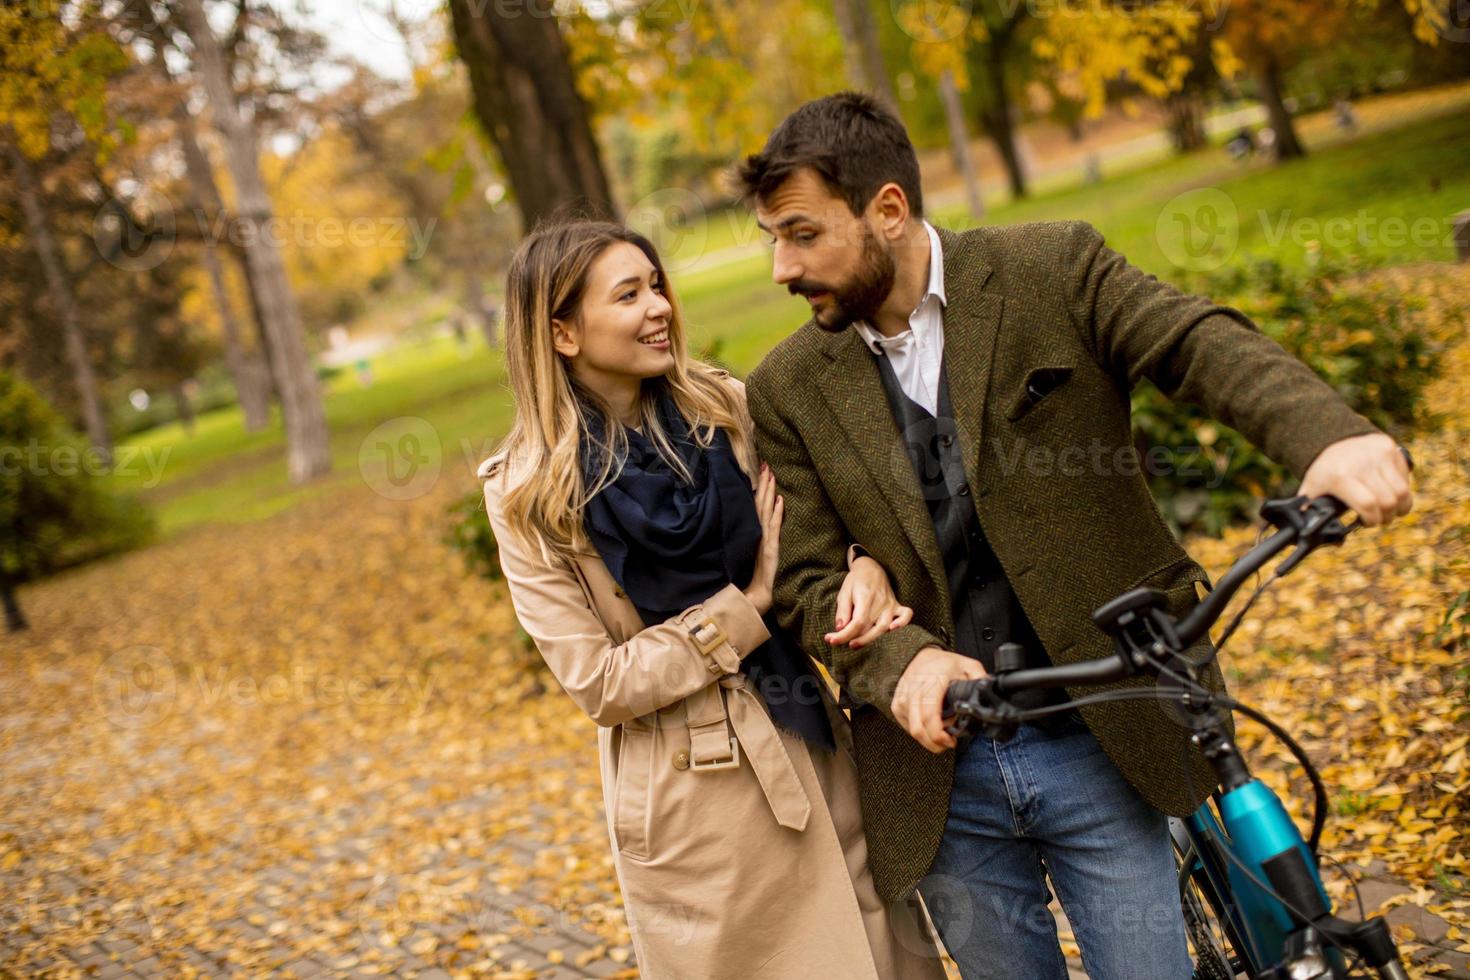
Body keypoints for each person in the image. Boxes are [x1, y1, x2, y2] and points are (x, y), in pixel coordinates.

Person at [735, 92, 1414, 979]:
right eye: (772, 240)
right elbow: (808, 577)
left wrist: (1325, 436)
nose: (782, 267)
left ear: (889, 210)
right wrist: (906, 663)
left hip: (1107, 731)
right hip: (942, 785)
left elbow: (1189, 340)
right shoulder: (786, 386)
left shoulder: (1051, 268)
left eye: (801, 233)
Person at [476, 219, 947, 980]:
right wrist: (746, 607)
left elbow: (824, 528)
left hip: (810, 736)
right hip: (693, 795)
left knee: (885, 958)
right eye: (628, 295)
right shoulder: (530, 492)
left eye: (656, 285)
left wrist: (865, 564)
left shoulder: (724, 412)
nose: (659, 306)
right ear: (563, 333)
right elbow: (602, 683)